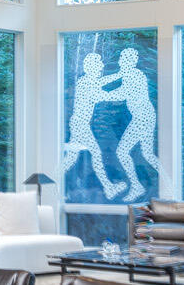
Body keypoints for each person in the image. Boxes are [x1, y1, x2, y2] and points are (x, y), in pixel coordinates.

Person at [63, 52, 124, 198]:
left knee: (71, 159)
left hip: (80, 124)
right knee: (95, 154)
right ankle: (109, 188)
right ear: (92, 67)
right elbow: (105, 95)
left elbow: (102, 82)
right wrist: (123, 93)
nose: (102, 67)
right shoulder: (86, 83)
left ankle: (54, 184)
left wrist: (120, 74)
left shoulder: (87, 81)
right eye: (99, 64)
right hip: (80, 125)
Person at [111, 48, 161, 199]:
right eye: (121, 58)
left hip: (142, 117)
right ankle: (169, 181)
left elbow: (122, 93)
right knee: (148, 154)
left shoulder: (134, 75)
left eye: (123, 59)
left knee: (122, 152)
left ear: (130, 61)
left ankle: (136, 186)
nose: (120, 61)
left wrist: (102, 95)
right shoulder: (131, 74)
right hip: (144, 116)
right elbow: (122, 92)